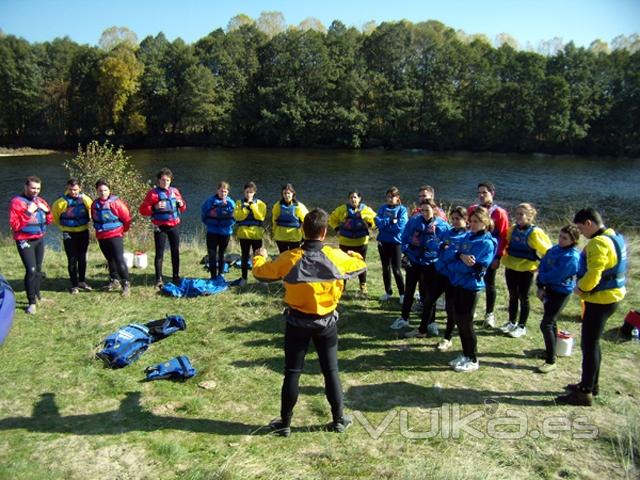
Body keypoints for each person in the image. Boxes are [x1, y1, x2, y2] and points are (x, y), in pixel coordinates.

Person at [252, 208, 367, 437]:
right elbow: (360, 265)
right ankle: (338, 420)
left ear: (303, 230)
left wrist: (260, 255)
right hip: (326, 323)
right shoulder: (336, 256)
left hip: (297, 322)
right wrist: (352, 254)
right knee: (331, 371)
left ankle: (285, 424)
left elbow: (260, 273)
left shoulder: (290, 257)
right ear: (324, 232)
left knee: (292, 372)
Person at [556, 208, 626, 406]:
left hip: (601, 299)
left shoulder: (598, 242)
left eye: (580, 228)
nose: (581, 233)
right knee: (593, 343)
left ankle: (584, 392)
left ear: (589, 223)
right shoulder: (614, 236)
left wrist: (579, 289)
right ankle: (591, 384)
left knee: (589, 344)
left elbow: (595, 274)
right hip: (612, 297)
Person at [447, 207, 497, 372]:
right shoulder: (467, 236)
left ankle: (473, 358)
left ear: (485, 223)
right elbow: (455, 254)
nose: (473, 224)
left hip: (471, 287)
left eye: (477, 222)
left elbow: (478, 267)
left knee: (467, 323)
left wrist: (466, 263)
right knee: (459, 321)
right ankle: (465, 354)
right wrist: (462, 257)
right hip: (458, 283)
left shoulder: (486, 242)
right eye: (472, 221)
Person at [392, 199, 450, 337]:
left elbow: (447, 243)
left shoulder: (442, 225)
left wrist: (438, 249)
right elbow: (404, 237)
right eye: (422, 210)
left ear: (434, 210)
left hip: (431, 263)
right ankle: (404, 318)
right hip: (414, 261)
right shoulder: (414, 221)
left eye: (427, 210)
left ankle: (431, 322)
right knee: (409, 290)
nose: (424, 213)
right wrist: (406, 252)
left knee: (429, 294)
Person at [499, 203, 551, 338]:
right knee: (512, 295)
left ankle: (521, 326)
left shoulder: (535, 233)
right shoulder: (512, 230)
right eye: (517, 214)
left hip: (526, 269)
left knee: (523, 297)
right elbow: (506, 244)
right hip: (511, 267)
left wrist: (540, 267)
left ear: (530, 216)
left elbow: (548, 252)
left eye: (522, 214)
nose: (519, 217)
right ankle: (511, 322)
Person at [535, 225, 581, 373]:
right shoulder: (554, 249)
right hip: (549, 289)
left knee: (546, 324)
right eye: (560, 236)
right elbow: (543, 265)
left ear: (573, 240)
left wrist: (543, 280)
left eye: (565, 238)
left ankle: (550, 361)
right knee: (551, 321)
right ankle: (551, 351)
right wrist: (540, 285)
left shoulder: (572, 257)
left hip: (561, 292)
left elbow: (557, 275)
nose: (560, 240)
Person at [467, 181, 509, 328]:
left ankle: (489, 314)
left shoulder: (499, 213)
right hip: (474, 252)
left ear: (492, 193)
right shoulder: (473, 209)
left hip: (490, 254)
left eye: (484, 192)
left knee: (489, 283)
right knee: (472, 281)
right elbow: (468, 229)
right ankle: (471, 309)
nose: (481, 195)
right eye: (479, 193)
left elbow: (503, 236)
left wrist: (498, 256)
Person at [9, 176, 52, 314]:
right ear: (26, 187)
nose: (35, 191)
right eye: (33, 188)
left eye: (38, 188)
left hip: (39, 239)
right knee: (31, 270)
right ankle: (31, 302)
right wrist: (28, 212)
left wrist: (47, 211)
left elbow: (48, 221)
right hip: (24, 240)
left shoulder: (40, 201)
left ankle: (38, 295)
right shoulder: (17, 202)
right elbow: (15, 225)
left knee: (38, 269)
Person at [139, 168, 187, 288]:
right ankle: (159, 279)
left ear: (171, 181)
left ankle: (176, 276)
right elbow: (143, 210)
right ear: (159, 180)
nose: (165, 182)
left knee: (175, 252)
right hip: (160, 227)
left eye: (168, 180)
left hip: (174, 225)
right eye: (163, 180)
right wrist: (154, 207)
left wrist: (181, 205)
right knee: (159, 253)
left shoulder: (175, 191)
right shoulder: (153, 194)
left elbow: (183, 208)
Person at [432, 206, 469, 351]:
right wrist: (443, 248)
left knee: (450, 308)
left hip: (454, 277)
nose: (454, 221)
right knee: (429, 300)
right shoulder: (447, 232)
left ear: (466, 220)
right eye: (452, 218)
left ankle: (447, 337)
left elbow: (456, 256)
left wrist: (449, 252)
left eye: (458, 219)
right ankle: (427, 326)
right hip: (442, 272)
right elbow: (436, 247)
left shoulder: (467, 237)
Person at [328, 191, 376, 297]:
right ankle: (343, 286)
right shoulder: (342, 210)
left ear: (359, 198)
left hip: (361, 242)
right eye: (351, 197)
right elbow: (332, 219)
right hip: (345, 241)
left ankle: (363, 286)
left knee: (362, 264)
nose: (353, 199)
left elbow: (376, 220)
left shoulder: (366, 210)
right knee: (343, 264)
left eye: (355, 197)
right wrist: (337, 229)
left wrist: (369, 223)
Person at [51, 178, 94, 294]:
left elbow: (92, 213)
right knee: (72, 259)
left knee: (82, 258)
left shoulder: (86, 199)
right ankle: (74, 285)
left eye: (75, 189)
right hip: (68, 233)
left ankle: (82, 281)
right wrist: (63, 228)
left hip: (83, 232)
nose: (73, 192)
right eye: (70, 189)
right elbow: (54, 218)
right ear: (67, 188)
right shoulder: (60, 202)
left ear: (80, 188)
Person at [91, 179, 132, 296]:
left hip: (115, 235)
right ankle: (114, 280)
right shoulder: (95, 204)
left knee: (119, 259)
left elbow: (126, 219)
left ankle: (126, 284)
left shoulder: (116, 203)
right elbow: (94, 218)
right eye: (100, 190)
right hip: (102, 235)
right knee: (110, 259)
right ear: (97, 191)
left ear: (109, 191)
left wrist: (123, 230)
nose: (103, 193)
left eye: (105, 190)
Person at [375, 186, 408, 303]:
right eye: (388, 196)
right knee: (386, 268)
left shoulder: (402, 210)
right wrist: (390, 221)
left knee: (396, 269)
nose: (390, 199)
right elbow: (377, 222)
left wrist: (385, 225)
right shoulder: (382, 208)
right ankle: (388, 291)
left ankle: (402, 294)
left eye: (393, 196)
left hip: (396, 244)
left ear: (397, 197)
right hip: (383, 243)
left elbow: (400, 227)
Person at [233, 181, 268, 286]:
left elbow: (260, 216)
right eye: (247, 192)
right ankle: (244, 278)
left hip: (256, 234)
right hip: (244, 234)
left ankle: (261, 278)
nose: (248, 194)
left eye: (251, 192)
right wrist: (245, 209)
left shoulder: (260, 203)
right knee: (244, 256)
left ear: (254, 193)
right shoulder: (239, 203)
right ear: (244, 192)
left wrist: (252, 206)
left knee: (259, 257)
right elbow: (238, 217)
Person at [201, 181, 236, 279]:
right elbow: (203, 215)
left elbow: (235, 216)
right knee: (212, 254)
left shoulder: (231, 202)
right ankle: (213, 275)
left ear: (228, 192)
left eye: (225, 192)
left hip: (225, 232)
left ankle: (221, 274)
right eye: (221, 191)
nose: (223, 193)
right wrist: (209, 224)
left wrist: (229, 206)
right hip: (212, 232)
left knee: (222, 254)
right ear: (217, 190)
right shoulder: (210, 201)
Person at [272, 184, 308, 253]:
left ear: (293, 193)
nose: (286, 195)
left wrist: (305, 237)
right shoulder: (277, 206)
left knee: (294, 258)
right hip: (281, 237)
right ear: (282, 194)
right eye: (284, 193)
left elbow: (305, 221)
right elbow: (274, 221)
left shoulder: (299, 207)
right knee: (282, 257)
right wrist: (274, 233)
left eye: (288, 193)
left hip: (294, 237)